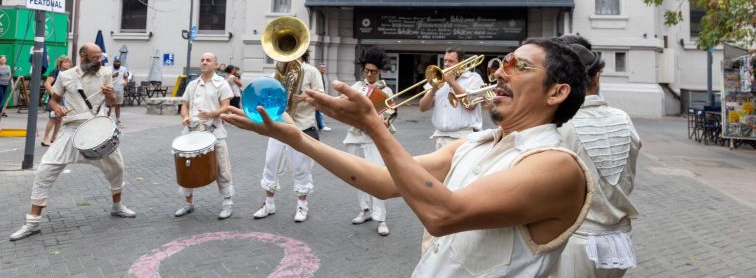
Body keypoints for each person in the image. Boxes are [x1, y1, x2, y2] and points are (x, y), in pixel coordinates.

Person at [224, 38, 593, 277]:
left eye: (520, 66)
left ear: (557, 92)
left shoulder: (556, 164)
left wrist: (375, 126)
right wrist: (298, 139)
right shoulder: (478, 143)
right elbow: (384, 182)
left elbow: (443, 215)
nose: (499, 72)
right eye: (503, 63)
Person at [9, 43, 136, 241]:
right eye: (95, 58)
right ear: (82, 55)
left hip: (98, 128)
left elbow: (110, 103)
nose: (99, 61)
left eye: (101, 57)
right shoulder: (66, 76)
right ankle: (32, 222)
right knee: (45, 169)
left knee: (118, 168)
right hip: (72, 129)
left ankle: (117, 206)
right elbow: (53, 100)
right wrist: (57, 108)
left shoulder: (106, 72)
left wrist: (110, 94)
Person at [549, 35, 641, 278]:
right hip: (620, 238)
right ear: (597, 77)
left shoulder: (558, 126)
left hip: (575, 241)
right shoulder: (624, 118)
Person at [252, 50, 324, 223]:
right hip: (278, 124)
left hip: (302, 126)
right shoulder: (277, 72)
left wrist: (306, 98)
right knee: (271, 163)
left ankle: (302, 205)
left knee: (300, 167)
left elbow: (321, 96)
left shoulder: (312, 71)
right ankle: (269, 203)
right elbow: (267, 95)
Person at [174, 52, 235, 220]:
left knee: (222, 168)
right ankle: (188, 203)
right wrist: (185, 117)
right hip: (192, 132)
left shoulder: (221, 83)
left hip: (214, 132)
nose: (204, 62)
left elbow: (226, 107)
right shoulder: (192, 84)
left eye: (208, 60)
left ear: (216, 64)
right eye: (202, 60)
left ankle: (228, 204)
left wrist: (212, 113)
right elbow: (184, 106)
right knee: (186, 167)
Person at [344, 46, 396, 236]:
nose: (369, 74)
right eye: (366, 71)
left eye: (373, 71)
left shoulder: (385, 90)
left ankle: (381, 218)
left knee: (377, 178)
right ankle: (365, 210)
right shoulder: (357, 87)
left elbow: (390, 114)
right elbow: (343, 105)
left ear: (379, 71)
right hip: (354, 136)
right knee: (357, 176)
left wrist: (386, 118)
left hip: (373, 138)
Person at [418, 47, 485, 149]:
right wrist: (433, 90)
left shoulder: (474, 78)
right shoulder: (437, 78)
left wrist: (452, 83)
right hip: (440, 137)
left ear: (462, 62)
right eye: (445, 60)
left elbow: (470, 105)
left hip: (464, 137)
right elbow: (422, 107)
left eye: (451, 61)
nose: (446, 64)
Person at [41, 56, 72, 147]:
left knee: (60, 118)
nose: (67, 64)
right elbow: (47, 84)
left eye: (68, 62)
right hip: (56, 99)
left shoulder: (69, 73)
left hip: (65, 98)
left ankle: (54, 138)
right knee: (53, 118)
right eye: (65, 62)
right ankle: (45, 138)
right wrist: (54, 94)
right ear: (60, 63)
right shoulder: (55, 71)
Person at [107, 57, 129, 126]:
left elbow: (126, 77)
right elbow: (106, 78)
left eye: (118, 62)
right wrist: (113, 76)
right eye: (116, 62)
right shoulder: (109, 69)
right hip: (111, 89)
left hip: (120, 89)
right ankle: (107, 119)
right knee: (109, 105)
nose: (117, 63)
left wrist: (125, 82)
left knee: (118, 105)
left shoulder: (123, 69)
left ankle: (118, 119)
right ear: (113, 62)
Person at [315, 63, 332, 131]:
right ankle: (322, 126)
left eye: (324, 68)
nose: (324, 69)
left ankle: (321, 125)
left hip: (320, 94)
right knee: (319, 111)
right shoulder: (317, 75)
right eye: (322, 68)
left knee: (318, 111)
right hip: (318, 95)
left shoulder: (321, 75)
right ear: (319, 68)